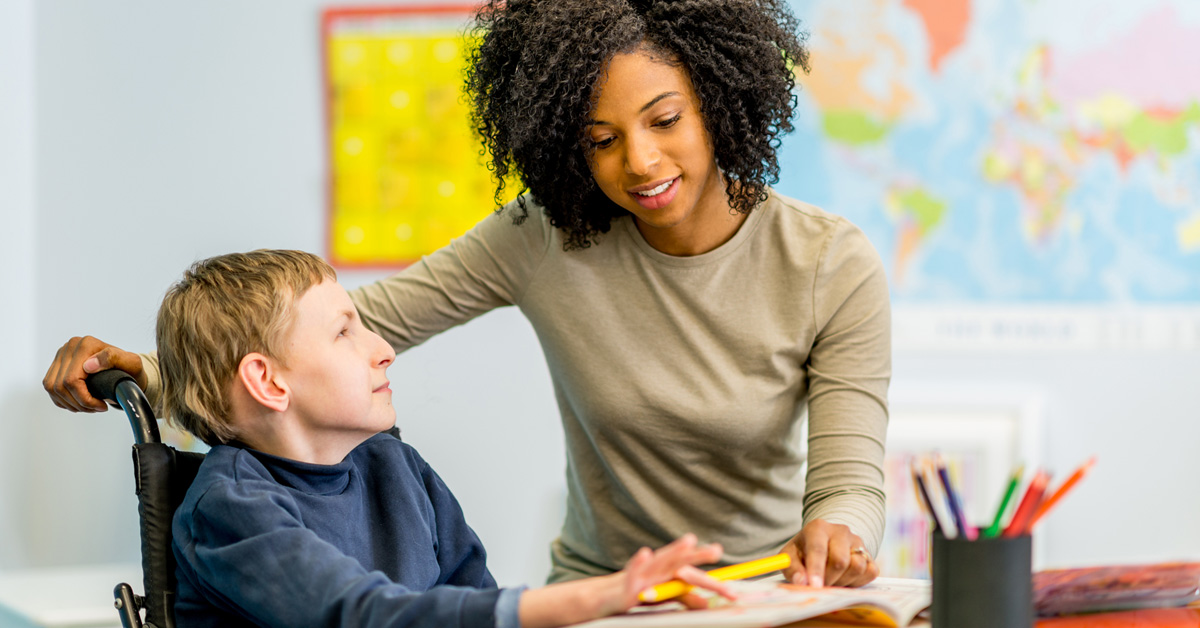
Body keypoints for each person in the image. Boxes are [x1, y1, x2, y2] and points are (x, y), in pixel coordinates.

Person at [44, 0, 889, 590]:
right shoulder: (549, 234)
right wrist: (151, 370)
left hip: (767, 592)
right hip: (610, 597)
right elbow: (339, 334)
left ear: (720, 98)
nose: (638, 162)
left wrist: (840, 537)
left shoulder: (830, 264)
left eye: (665, 120)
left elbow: (848, 479)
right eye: (601, 140)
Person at [152, 249, 731, 627]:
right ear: (268, 381)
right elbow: (362, 616)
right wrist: (595, 596)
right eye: (343, 333)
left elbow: (474, 592)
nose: (384, 349)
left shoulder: (396, 466)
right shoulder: (228, 508)